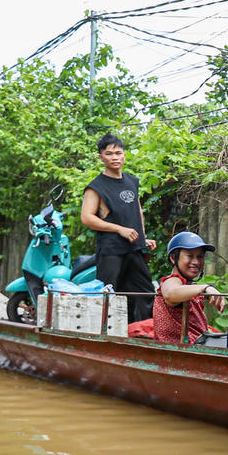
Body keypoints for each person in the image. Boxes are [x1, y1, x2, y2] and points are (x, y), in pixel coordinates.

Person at [80, 133, 156, 323]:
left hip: (134, 249)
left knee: (147, 294)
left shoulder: (132, 181)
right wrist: (118, 229)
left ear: (124, 155)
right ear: (101, 157)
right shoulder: (96, 187)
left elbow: (137, 211)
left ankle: (144, 337)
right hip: (111, 251)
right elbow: (87, 218)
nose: (114, 157)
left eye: (118, 153)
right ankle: (105, 339)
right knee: (109, 297)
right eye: (109, 153)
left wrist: (142, 237)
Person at [152, 232, 227, 345]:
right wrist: (206, 287)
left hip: (198, 345)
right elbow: (170, 293)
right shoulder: (171, 281)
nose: (196, 262)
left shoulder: (189, 287)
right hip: (180, 352)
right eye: (190, 256)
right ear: (173, 258)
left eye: (200, 256)